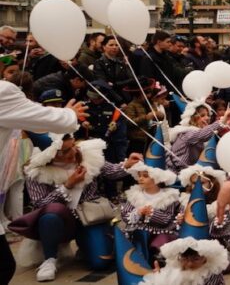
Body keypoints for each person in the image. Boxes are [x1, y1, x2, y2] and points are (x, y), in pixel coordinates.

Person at [11, 134, 143, 281]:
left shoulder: (86, 154)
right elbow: (41, 205)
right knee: (51, 212)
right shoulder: (36, 171)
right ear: (50, 155)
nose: (73, 152)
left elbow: (111, 171)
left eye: (73, 146)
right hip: (61, 222)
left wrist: (128, 164)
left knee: (100, 262)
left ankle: (86, 245)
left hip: (92, 217)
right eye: (65, 150)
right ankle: (50, 259)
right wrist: (67, 186)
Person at [0, 81, 86, 284]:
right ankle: (50, 259)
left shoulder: (87, 159)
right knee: (3, 266)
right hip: (53, 220)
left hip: (80, 223)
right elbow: (53, 122)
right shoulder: (3, 92)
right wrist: (69, 114)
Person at [119, 163, 181, 257]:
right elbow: (125, 215)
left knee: (161, 245)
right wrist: (138, 213)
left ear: (157, 178)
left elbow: (167, 219)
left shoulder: (169, 196)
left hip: (160, 231)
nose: (140, 178)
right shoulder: (134, 194)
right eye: (139, 176)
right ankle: (140, 259)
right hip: (138, 232)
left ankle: (155, 258)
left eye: (145, 176)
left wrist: (152, 213)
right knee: (139, 236)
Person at [168, 100, 230, 173]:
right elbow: (203, 134)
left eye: (208, 115)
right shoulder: (188, 133)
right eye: (202, 115)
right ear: (193, 118)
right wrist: (223, 119)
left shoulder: (196, 132)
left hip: (188, 172)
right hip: (175, 173)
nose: (207, 118)